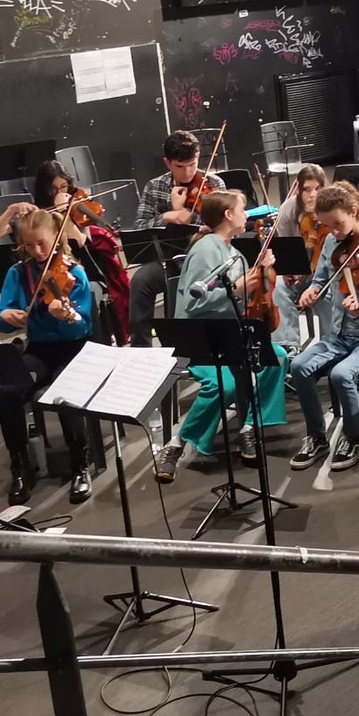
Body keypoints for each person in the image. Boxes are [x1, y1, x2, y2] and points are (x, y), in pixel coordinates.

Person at [153, 191, 288, 478]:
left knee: (276, 357)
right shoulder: (207, 248)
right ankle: (176, 444)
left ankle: (249, 426)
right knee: (224, 385)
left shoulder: (235, 253)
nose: (246, 214)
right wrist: (240, 288)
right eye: (242, 209)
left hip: (228, 333)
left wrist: (261, 273)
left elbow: (240, 300)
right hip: (199, 337)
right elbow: (194, 302)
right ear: (228, 215)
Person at [0, 209, 101, 506]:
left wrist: (67, 316)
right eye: (28, 245)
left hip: (75, 347)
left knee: (66, 394)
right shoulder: (18, 273)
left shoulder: (74, 272)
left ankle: (80, 464)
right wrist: (6, 316)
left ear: (56, 238)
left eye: (42, 243)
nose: (37, 251)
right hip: (39, 349)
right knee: (9, 394)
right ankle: (20, 465)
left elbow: (84, 323)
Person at [287, 182, 359, 473]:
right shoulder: (333, 244)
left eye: (338, 224)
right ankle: (317, 436)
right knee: (298, 365)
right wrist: (314, 289)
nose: (333, 232)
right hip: (339, 335)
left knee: (341, 373)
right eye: (326, 226)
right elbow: (321, 276)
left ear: (354, 212)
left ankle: (354, 438)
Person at [0, 160, 131, 343]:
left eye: (63, 187)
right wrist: (12, 210)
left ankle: (99, 338)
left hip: (84, 267)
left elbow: (83, 243)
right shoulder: (38, 216)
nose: (59, 193)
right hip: (42, 270)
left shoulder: (76, 211)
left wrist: (67, 220)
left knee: (93, 290)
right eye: (53, 189)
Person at [128, 130, 207, 348]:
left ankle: (187, 347)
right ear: (168, 163)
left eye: (192, 164)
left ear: (198, 157)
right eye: (180, 167)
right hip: (168, 260)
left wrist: (190, 217)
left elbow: (222, 227)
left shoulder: (213, 184)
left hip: (203, 262)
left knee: (181, 289)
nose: (188, 172)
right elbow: (139, 227)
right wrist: (168, 215)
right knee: (140, 281)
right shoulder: (155, 186)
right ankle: (140, 351)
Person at [271, 163, 337, 349]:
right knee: (277, 286)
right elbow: (285, 249)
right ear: (298, 190)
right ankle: (288, 345)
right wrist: (290, 269)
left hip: (325, 274)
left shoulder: (332, 209)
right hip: (300, 275)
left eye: (318, 189)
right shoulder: (288, 209)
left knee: (324, 292)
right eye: (307, 189)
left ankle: (330, 345)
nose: (313, 195)